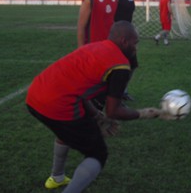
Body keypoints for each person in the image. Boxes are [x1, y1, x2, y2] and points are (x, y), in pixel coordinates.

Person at [26, 21, 172, 192]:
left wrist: (97, 117)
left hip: (34, 95)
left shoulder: (95, 47)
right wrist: (145, 113)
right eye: (135, 42)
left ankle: (56, 177)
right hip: (57, 103)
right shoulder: (120, 65)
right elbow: (113, 110)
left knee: (65, 132)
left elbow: (79, 91)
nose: (136, 48)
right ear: (124, 41)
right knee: (98, 154)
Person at [114, 0, 137, 101]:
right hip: (118, 39)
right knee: (119, 68)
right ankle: (116, 94)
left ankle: (123, 91)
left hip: (128, 37)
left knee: (132, 65)